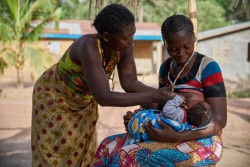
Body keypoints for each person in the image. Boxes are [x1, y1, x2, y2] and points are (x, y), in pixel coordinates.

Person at [31, 4, 173, 167]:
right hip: (54, 99)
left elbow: (130, 82)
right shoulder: (88, 46)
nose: (131, 40)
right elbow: (104, 97)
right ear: (106, 36)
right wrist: (155, 96)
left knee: (82, 150)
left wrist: (167, 95)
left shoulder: (125, 46)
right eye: (126, 37)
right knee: (56, 153)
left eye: (133, 34)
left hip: (83, 103)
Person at [94, 14, 227, 166]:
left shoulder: (208, 68)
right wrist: (138, 118)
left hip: (202, 141)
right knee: (107, 146)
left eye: (187, 47)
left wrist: (179, 137)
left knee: (127, 155)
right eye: (173, 48)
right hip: (168, 133)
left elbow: (219, 120)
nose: (181, 53)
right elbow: (159, 105)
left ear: (194, 39)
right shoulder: (166, 68)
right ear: (165, 43)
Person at [126, 89, 214, 145]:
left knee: (142, 118)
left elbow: (167, 110)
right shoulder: (187, 122)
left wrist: (177, 99)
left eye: (197, 102)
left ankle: (133, 123)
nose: (196, 100)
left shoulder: (179, 115)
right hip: (152, 129)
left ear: (187, 107)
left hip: (147, 126)